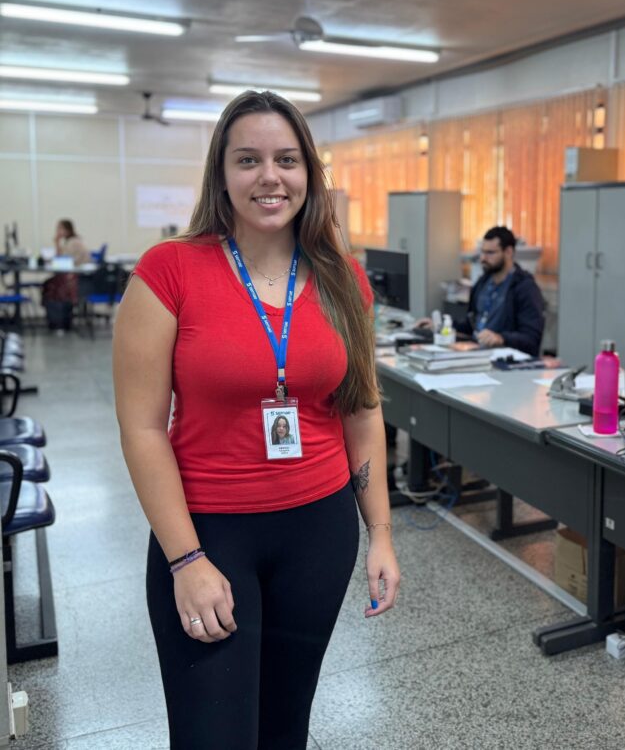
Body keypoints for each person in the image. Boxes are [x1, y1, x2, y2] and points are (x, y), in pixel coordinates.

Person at [113, 90, 399, 749]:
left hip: (318, 533)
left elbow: (361, 408)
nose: (270, 177)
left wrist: (381, 533)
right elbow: (142, 429)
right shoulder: (169, 271)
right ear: (221, 173)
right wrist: (186, 559)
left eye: (286, 160)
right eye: (248, 160)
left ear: (309, 174)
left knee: (284, 727)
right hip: (209, 532)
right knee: (213, 734)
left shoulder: (344, 279)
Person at [417, 226, 545, 355]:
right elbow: (470, 326)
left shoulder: (525, 288)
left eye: (490, 253)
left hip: (503, 357)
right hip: (475, 351)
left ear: (508, 252)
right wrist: (441, 325)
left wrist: (501, 338)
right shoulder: (482, 283)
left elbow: (532, 339)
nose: (483, 258)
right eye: (482, 252)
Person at [42, 218, 90, 330]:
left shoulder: (73, 242)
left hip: (76, 278)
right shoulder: (69, 242)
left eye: (60, 228)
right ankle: (56, 318)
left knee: (51, 285)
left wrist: (56, 242)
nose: (58, 231)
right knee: (49, 283)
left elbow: (61, 260)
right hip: (72, 275)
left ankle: (59, 320)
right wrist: (57, 243)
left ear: (68, 230)